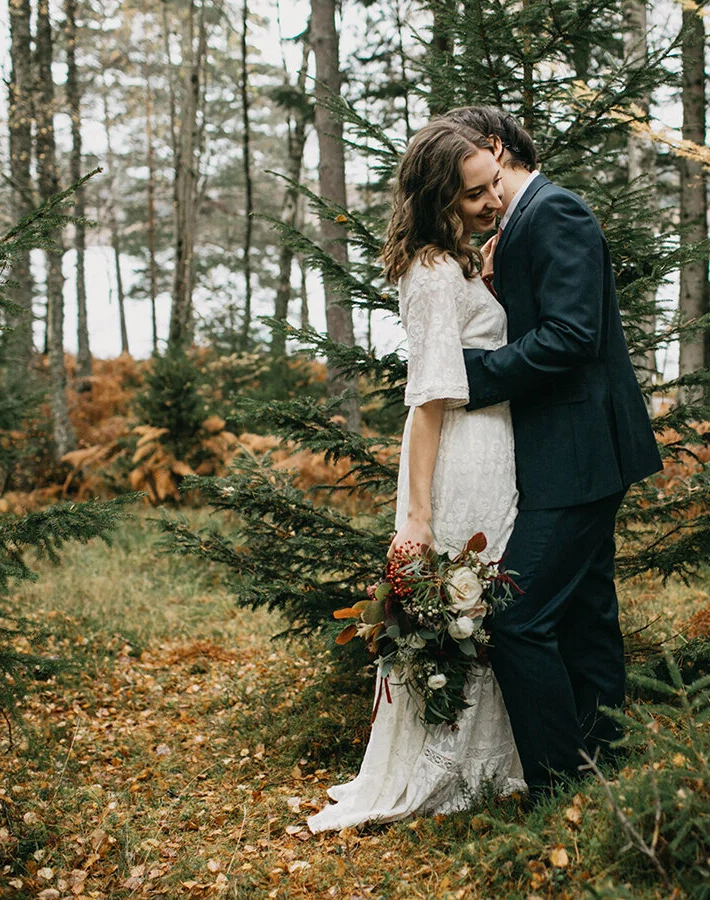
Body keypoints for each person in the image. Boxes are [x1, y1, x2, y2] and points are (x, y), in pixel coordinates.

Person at [437, 105, 664, 797]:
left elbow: (571, 336)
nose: (477, 196)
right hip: (574, 448)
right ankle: (604, 766)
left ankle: (560, 785)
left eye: (477, 175)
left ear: (495, 147)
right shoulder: (520, 222)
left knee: (518, 616)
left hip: (579, 449)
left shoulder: (555, 211)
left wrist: (470, 378)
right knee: (587, 610)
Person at [308, 122, 525, 832]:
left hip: (486, 446)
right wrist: (420, 517)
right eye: (476, 194)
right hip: (460, 455)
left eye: (495, 183)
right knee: (465, 597)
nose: (494, 199)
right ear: (440, 200)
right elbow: (429, 400)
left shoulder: (453, 260)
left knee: (481, 600)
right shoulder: (433, 275)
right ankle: (454, 766)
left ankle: (489, 758)